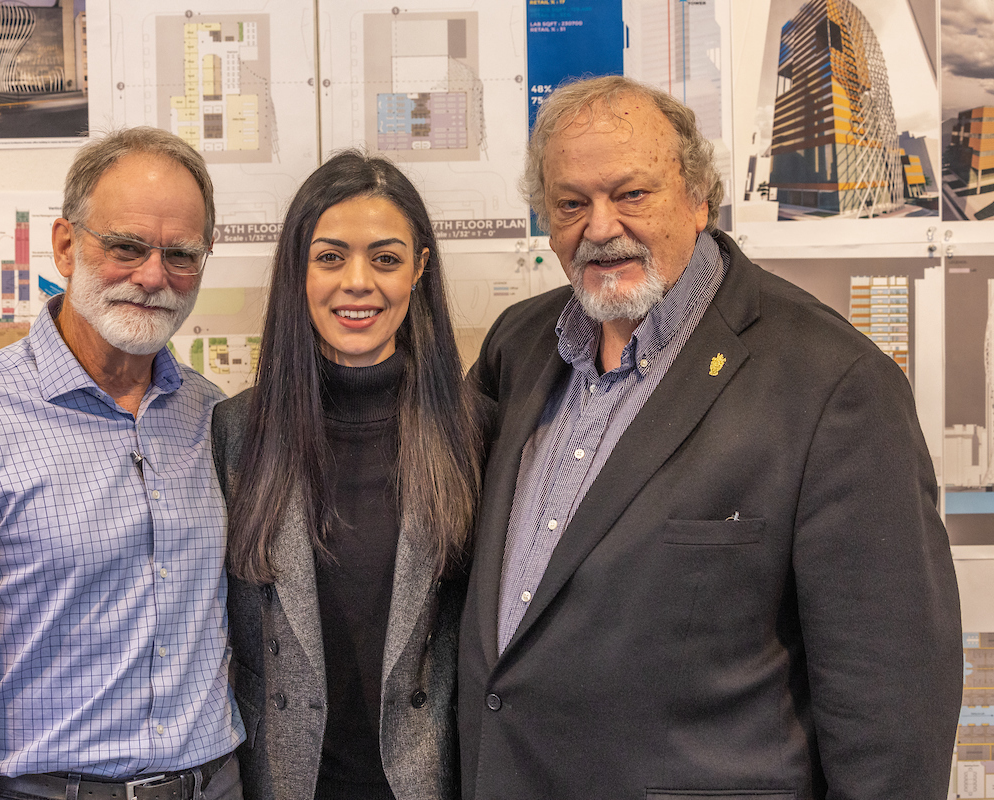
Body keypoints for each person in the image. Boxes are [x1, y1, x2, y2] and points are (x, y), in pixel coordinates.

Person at [458, 75, 962, 799]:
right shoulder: (520, 345)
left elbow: (892, 700)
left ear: (698, 197)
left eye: (631, 194)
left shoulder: (834, 384)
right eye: (571, 203)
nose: (600, 228)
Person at [0, 127, 244, 800]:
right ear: (66, 246)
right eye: (127, 246)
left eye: (181, 254)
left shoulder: (212, 415)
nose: (152, 276)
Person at [213, 150, 486, 800]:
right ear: (297, 270)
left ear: (419, 268)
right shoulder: (234, 432)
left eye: (385, 259)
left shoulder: (478, 435)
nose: (357, 282)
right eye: (330, 257)